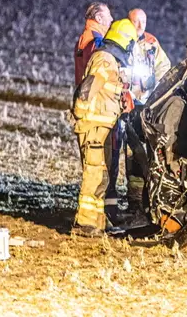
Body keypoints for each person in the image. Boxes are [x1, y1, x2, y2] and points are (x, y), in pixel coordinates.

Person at [70, 18, 138, 236]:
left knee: (102, 176)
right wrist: (82, 119)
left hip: (102, 128)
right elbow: (86, 90)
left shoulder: (109, 60)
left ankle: (97, 223)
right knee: (94, 175)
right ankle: (85, 225)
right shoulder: (105, 60)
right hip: (94, 128)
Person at [116, 8, 172, 213]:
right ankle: (134, 203)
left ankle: (148, 201)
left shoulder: (151, 43)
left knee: (149, 155)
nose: (140, 26)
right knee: (132, 155)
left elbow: (164, 68)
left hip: (148, 108)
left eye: (143, 22)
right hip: (128, 107)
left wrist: (158, 93)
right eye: (136, 22)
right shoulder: (121, 42)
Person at [74, 2, 113, 86]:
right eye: (109, 15)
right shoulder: (96, 40)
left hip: (83, 92)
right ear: (99, 18)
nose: (112, 19)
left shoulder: (84, 38)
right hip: (94, 93)